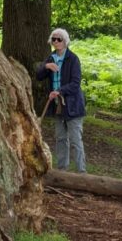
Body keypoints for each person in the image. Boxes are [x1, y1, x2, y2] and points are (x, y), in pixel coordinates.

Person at [36, 28, 86, 173]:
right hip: (57, 106)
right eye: (54, 39)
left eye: (59, 39)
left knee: (76, 140)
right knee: (60, 139)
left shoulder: (73, 58)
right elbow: (39, 76)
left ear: (65, 41)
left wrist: (59, 91)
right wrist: (46, 66)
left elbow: (76, 83)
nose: (56, 42)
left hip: (73, 106)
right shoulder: (51, 58)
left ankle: (81, 172)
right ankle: (62, 171)